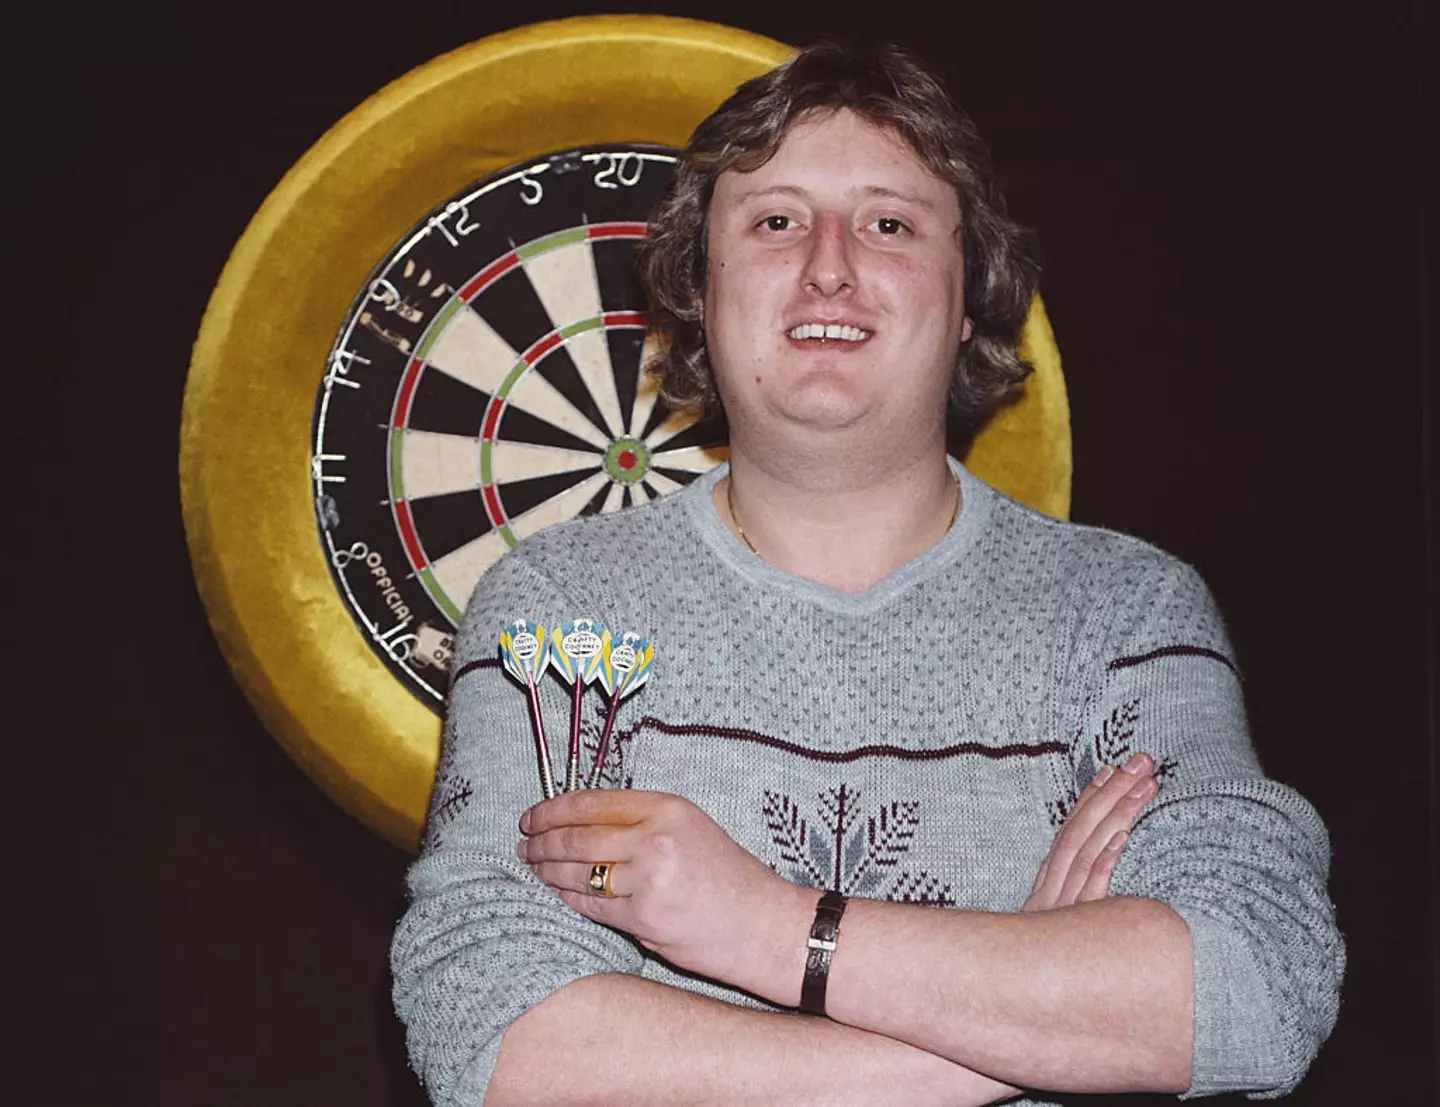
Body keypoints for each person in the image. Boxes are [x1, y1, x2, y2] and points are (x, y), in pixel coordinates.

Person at [391, 43, 1343, 1106]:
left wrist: (760, 923)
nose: (829, 265)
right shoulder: (560, 619)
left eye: (889, 223)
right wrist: (1016, 1021)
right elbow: (493, 1035)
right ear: (699, 294)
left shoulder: (1126, 615)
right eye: (774, 221)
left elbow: (1254, 987)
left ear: (972, 296)